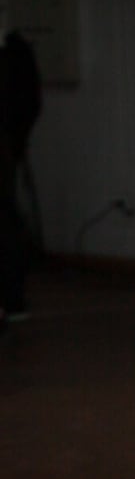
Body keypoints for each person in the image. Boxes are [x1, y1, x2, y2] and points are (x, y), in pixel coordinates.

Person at [0, 19, 39, 321]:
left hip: (7, 145)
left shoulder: (14, 52)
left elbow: (28, 101)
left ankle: (12, 297)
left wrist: (16, 139)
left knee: (6, 218)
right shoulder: (15, 51)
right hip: (9, 144)